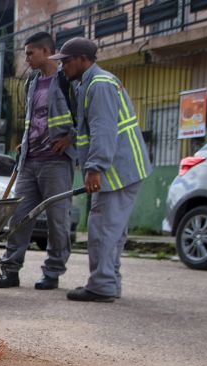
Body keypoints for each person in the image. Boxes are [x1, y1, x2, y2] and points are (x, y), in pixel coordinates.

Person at [52, 37, 151, 302]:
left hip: (116, 171)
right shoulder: (92, 84)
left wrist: (94, 167)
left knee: (103, 228)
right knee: (112, 230)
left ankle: (102, 284)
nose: (62, 67)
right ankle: (109, 281)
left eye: (65, 61)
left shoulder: (99, 85)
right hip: (122, 169)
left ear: (82, 59)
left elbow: (103, 130)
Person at [0, 32, 77, 291]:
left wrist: (71, 139)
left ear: (45, 51)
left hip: (56, 162)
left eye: (30, 53)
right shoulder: (32, 82)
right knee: (19, 217)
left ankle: (52, 272)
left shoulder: (67, 80)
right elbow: (33, 119)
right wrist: (25, 141)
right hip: (30, 160)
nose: (27, 58)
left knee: (57, 220)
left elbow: (84, 116)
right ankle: (10, 270)